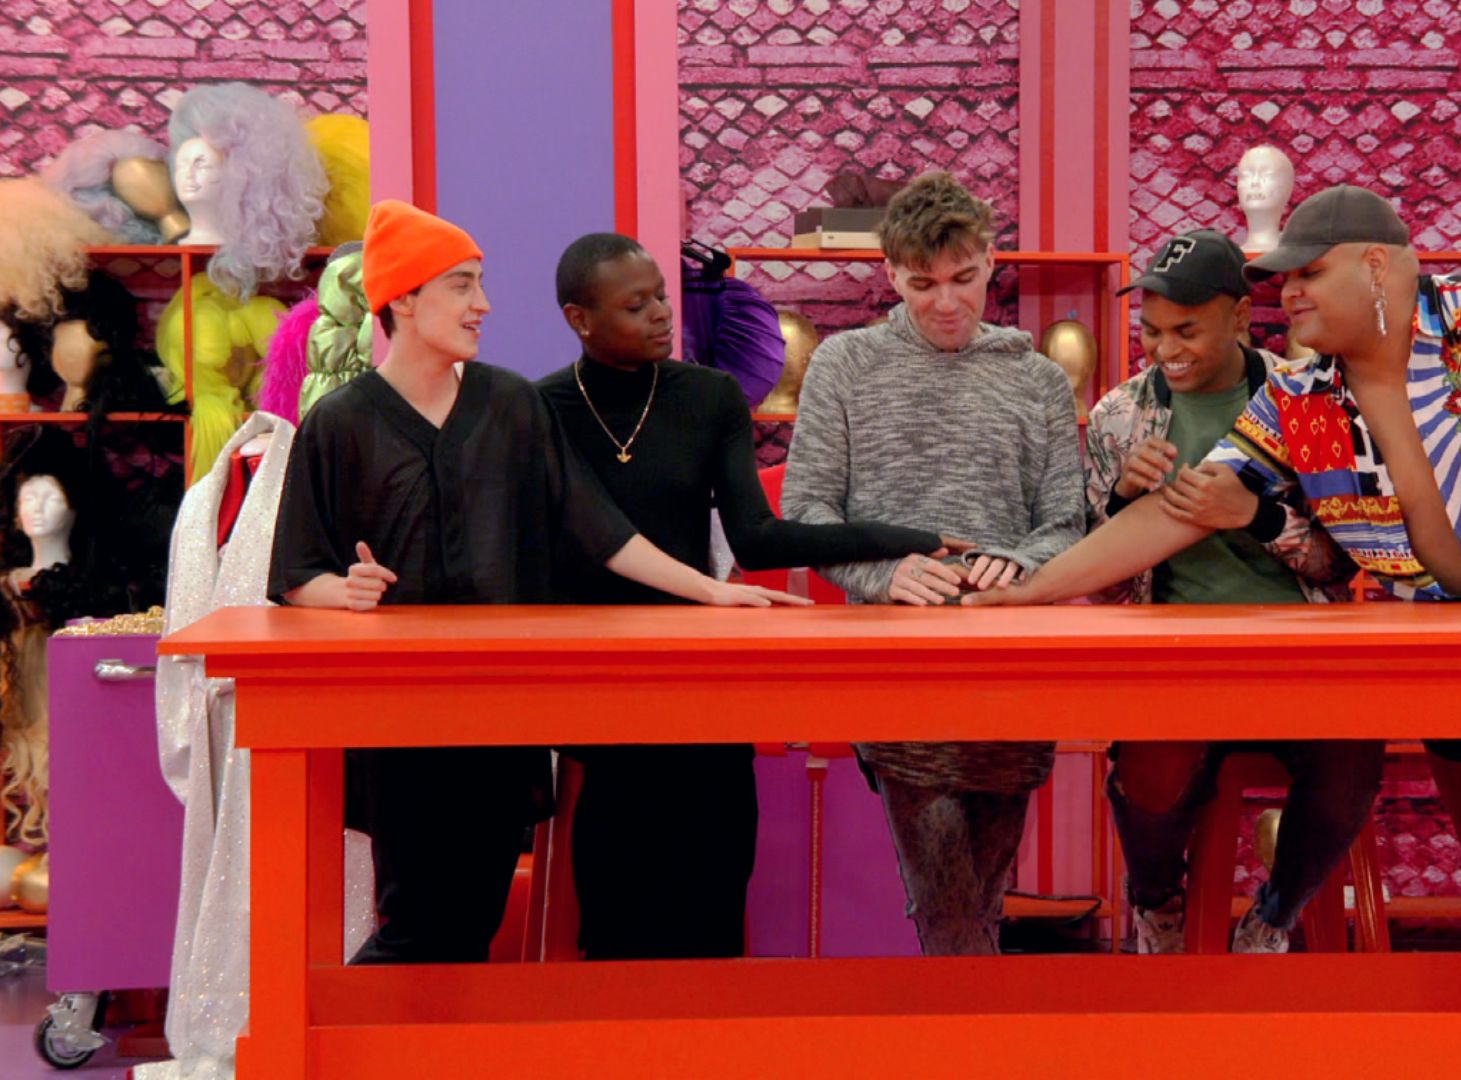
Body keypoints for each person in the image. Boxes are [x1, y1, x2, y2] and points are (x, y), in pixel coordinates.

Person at [972, 185, 1461, 968]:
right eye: (1285, 278)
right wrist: (1031, 587)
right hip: (1458, 644)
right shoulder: (1299, 395)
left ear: (1377, 265)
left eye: (1309, 273)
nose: (1289, 292)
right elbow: (1171, 516)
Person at [269, 201, 804, 965]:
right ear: (404, 300)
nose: (482, 304)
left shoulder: (509, 404)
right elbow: (295, 574)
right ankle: (357, 1032)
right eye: (461, 285)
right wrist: (342, 591)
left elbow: (595, 525)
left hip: (498, 710)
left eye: (480, 283)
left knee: (475, 923)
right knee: (416, 925)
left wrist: (711, 589)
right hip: (401, 717)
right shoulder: (339, 422)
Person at [536, 232, 962, 959]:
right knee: (615, 908)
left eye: (661, 296)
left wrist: (900, 538)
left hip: (701, 673)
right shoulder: (539, 409)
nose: (662, 314)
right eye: (636, 306)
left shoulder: (709, 397)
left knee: (713, 887)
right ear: (580, 318)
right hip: (604, 683)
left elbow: (757, 538)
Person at [780, 170, 1085, 955]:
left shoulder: (1039, 380)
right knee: (948, 903)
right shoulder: (845, 366)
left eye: (963, 278)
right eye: (922, 284)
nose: (946, 302)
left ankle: (963, 1019)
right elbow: (806, 512)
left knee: (977, 902)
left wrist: (1019, 565)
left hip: (1013, 670)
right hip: (896, 665)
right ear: (890, 274)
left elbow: (1066, 526)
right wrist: (884, 573)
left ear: (991, 263)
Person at [1086, 228, 1379, 954]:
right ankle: (1158, 905)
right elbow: (1102, 591)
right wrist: (1123, 504)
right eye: (1152, 331)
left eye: (1186, 331)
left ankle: (1272, 918)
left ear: (1241, 318)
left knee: (1352, 758)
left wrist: (1257, 516)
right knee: (1149, 772)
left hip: (1296, 655)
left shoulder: (1306, 399)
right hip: (1170, 658)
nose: (1165, 350)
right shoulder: (1119, 416)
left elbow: (1339, 567)